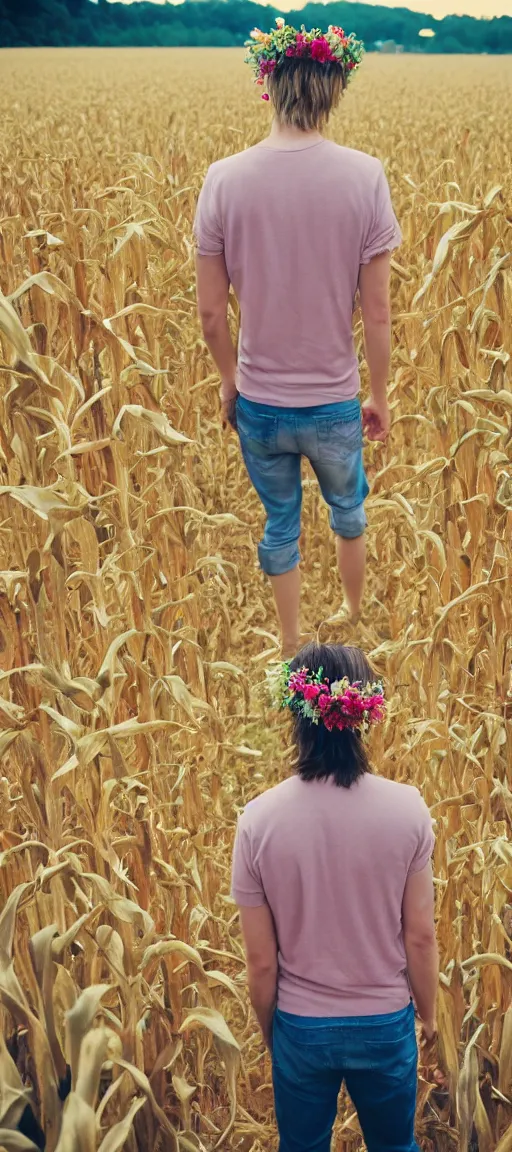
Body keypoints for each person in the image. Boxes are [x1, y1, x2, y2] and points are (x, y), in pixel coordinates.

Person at [194, 21, 402, 657]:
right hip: (336, 399)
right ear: (333, 90)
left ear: (270, 86)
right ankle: (351, 612)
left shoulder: (223, 179)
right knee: (348, 509)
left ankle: (290, 645)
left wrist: (231, 383)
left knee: (281, 522)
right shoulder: (365, 177)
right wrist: (379, 394)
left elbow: (209, 313)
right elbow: (379, 312)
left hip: (261, 402)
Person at [231, 642, 438, 1152]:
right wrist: (429, 1015)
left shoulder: (258, 821)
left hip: (301, 1028)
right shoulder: (407, 810)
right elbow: (420, 935)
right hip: (385, 1023)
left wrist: (271, 1032)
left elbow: (261, 963)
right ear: (364, 715)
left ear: (295, 716)